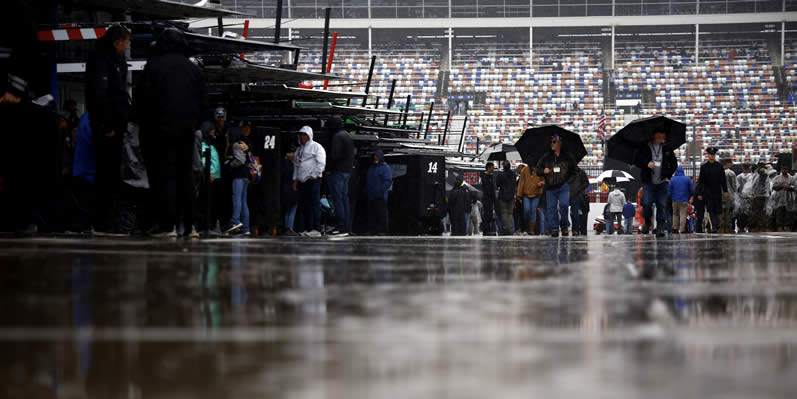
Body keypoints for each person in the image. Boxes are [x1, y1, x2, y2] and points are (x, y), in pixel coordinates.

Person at [136, 28, 206, 237]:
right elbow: (204, 102)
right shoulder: (193, 69)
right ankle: (189, 225)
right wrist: (193, 124)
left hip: (158, 132)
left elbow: (142, 100)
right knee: (185, 177)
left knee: (163, 178)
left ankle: (167, 225)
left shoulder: (153, 66)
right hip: (186, 131)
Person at [85, 24, 132, 235]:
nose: (127, 46)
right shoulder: (102, 58)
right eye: (126, 42)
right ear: (118, 41)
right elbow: (100, 93)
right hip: (107, 126)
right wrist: (107, 124)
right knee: (106, 174)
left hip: (115, 124)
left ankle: (110, 220)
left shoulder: (116, 59)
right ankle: (103, 221)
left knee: (111, 174)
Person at [633, 129, 678, 237]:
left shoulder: (667, 148)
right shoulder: (645, 147)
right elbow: (637, 160)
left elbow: (674, 164)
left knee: (661, 205)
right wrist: (646, 163)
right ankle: (647, 221)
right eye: (661, 133)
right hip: (648, 182)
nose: (663, 136)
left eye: (664, 134)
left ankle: (660, 227)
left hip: (663, 182)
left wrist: (668, 176)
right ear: (655, 135)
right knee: (647, 203)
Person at [535, 134, 576, 237]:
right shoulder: (546, 156)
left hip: (563, 186)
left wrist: (568, 181)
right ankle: (554, 228)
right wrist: (543, 171)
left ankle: (564, 226)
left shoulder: (567, 156)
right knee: (551, 208)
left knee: (564, 205)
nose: (552, 144)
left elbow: (574, 171)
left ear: (559, 143)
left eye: (554, 142)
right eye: (551, 142)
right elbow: (538, 170)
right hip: (550, 187)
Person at [293, 126, 326, 236]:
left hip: (313, 180)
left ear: (309, 136)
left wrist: (314, 175)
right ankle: (308, 228)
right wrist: (295, 180)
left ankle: (316, 228)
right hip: (302, 181)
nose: (302, 137)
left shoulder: (317, 147)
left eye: (304, 135)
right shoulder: (299, 150)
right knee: (304, 205)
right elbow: (296, 166)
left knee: (314, 204)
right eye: (301, 135)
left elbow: (321, 162)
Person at [326, 117, 354, 236]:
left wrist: (329, 169)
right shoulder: (347, 135)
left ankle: (340, 226)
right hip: (347, 171)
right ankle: (346, 227)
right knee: (344, 199)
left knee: (338, 200)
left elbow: (335, 155)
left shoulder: (337, 136)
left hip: (337, 171)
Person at [225, 121, 253, 236]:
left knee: (236, 199)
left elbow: (240, 160)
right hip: (246, 175)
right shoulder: (245, 142)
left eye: (228, 133)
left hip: (239, 175)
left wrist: (229, 164)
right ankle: (246, 227)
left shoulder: (236, 144)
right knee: (243, 201)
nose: (226, 135)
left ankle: (235, 222)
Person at [196, 121, 221, 237]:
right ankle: (203, 225)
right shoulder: (203, 144)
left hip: (214, 178)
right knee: (205, 202)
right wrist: (209, 172)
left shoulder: (211, 143)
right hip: (208, 178)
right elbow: (203, 159)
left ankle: (210, 225)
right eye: (211, 130)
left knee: (213, 203)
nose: (213, 132)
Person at [695, 148, 728, 234]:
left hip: (717, 191)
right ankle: (713, 226)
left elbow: (723, 179)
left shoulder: (719, 166)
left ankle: (714, 225)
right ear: (708, 155)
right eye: (710, 154)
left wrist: (725, 190)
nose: (712, 156)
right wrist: (699, 193)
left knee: (717, 209)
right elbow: (701, 181)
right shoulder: (704, 167)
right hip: (707, 192)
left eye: (713, 154)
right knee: (710, 209)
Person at [365, 150, 392, 235]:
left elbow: (388, 181)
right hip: (372, 195)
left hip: (380, 196)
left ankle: (382, 230)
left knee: (381, 213)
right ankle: (373, 230)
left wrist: (381, 191)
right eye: (374, 156)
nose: (375, 157)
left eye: (377, 156)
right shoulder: (372, 167)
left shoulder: (384, 168)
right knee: (372, 214)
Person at [516, 164, 544, 235]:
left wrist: (541, 183)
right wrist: (519, 194)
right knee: (526, 210)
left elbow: (544, 179)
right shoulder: (524, 170)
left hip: (536, 194)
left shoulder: (539, 170)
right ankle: (526, 227)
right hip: (526, 194)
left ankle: (531, 230)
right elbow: (521, 183)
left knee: (533, 212)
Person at [668, 165, 694, 234]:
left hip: (675, 200)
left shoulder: (672, 179)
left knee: (675, 214)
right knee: (683, 214)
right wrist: (689, 196)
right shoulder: (687, 179)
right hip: (684, 200)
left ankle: (675, 228)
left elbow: (669, 191)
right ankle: (682, 229)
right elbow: (691, 190)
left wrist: (672, 197)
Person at [495, 160, 517, 235]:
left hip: (502, 196)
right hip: (511, 196)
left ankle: (505, 228)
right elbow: (514, 185)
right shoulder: (513, 174)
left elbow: (497, 185)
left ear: (503, 166)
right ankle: (510, 229)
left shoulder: (500, 175)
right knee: (510, 213)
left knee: (504, 212)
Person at [770, 166, 795, 232]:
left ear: (787, 170)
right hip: (779, 200)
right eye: (783, 169)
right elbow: (774, 187)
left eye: (785, 169)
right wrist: (781, 186)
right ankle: (780, 228)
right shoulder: (777, 177)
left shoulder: (792, 178)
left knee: (788, 215)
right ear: (781, 170)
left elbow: (794, 187)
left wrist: (788, 187)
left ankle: (787, 228)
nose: (784, 170)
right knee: (779, 215)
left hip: (789, 200)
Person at [568, 166, 589, 236]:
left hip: (577, 195)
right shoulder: (567, 172)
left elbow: (586, 183)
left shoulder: (581, 172)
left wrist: (579, 189)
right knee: (572, 213)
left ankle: (575, 229)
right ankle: (574, 229)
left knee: (575, 213)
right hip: (569, 194)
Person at [719, 159, 739, 233]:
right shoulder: (731, 173)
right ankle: (727, 227)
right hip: (729, 195)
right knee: (728, 211)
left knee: (721, 212)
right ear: (727, 163)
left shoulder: (718, 172)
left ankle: (721, 227)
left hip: (719, 195)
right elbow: (734, 185)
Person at [736, 162, 754, 232]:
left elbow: (736, 188)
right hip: (750, 198)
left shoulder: (738, 177)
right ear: (749, 167)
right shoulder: (752, 176)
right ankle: (749, 227)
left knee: (741, 214)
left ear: (742, 168)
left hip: (740, 198)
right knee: (749, 213)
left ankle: (740, 228)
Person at [480, 163, 497, 235]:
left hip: (490, 199)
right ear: (488, 168)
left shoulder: (490, 176)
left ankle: (488, 229)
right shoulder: (485, 177)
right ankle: (486, 230)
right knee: (487, 214)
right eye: (492, 167)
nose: (493, 169)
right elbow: (488, 188)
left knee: (489, 214)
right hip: (487, 198)